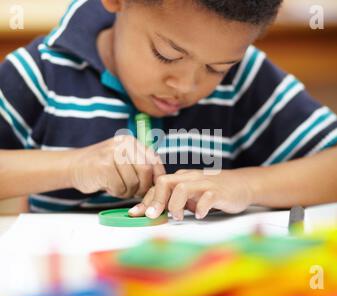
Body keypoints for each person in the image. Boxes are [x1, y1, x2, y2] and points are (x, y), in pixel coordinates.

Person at [1, 0, 337, 219]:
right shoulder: (41, 74)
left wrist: (245, 186)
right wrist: (72, 166)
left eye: (217, 68)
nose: (187, 85)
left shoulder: (244, 79)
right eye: (167, 55)